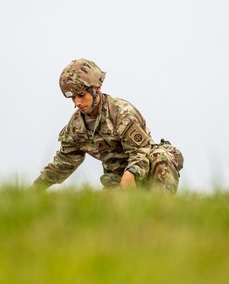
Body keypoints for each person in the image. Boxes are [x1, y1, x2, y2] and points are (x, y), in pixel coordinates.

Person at [32, 59, 183, 193]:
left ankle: (162, 211)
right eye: (73, 97)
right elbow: (64, 162)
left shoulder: (122, 112)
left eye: (81, 95)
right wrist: (35, 188)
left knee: (160, 157)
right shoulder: (76, 126)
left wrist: (131, 172)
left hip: (145, 169)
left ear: (96, 88)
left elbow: (141, 151)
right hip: (115, 178)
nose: (77, 102)